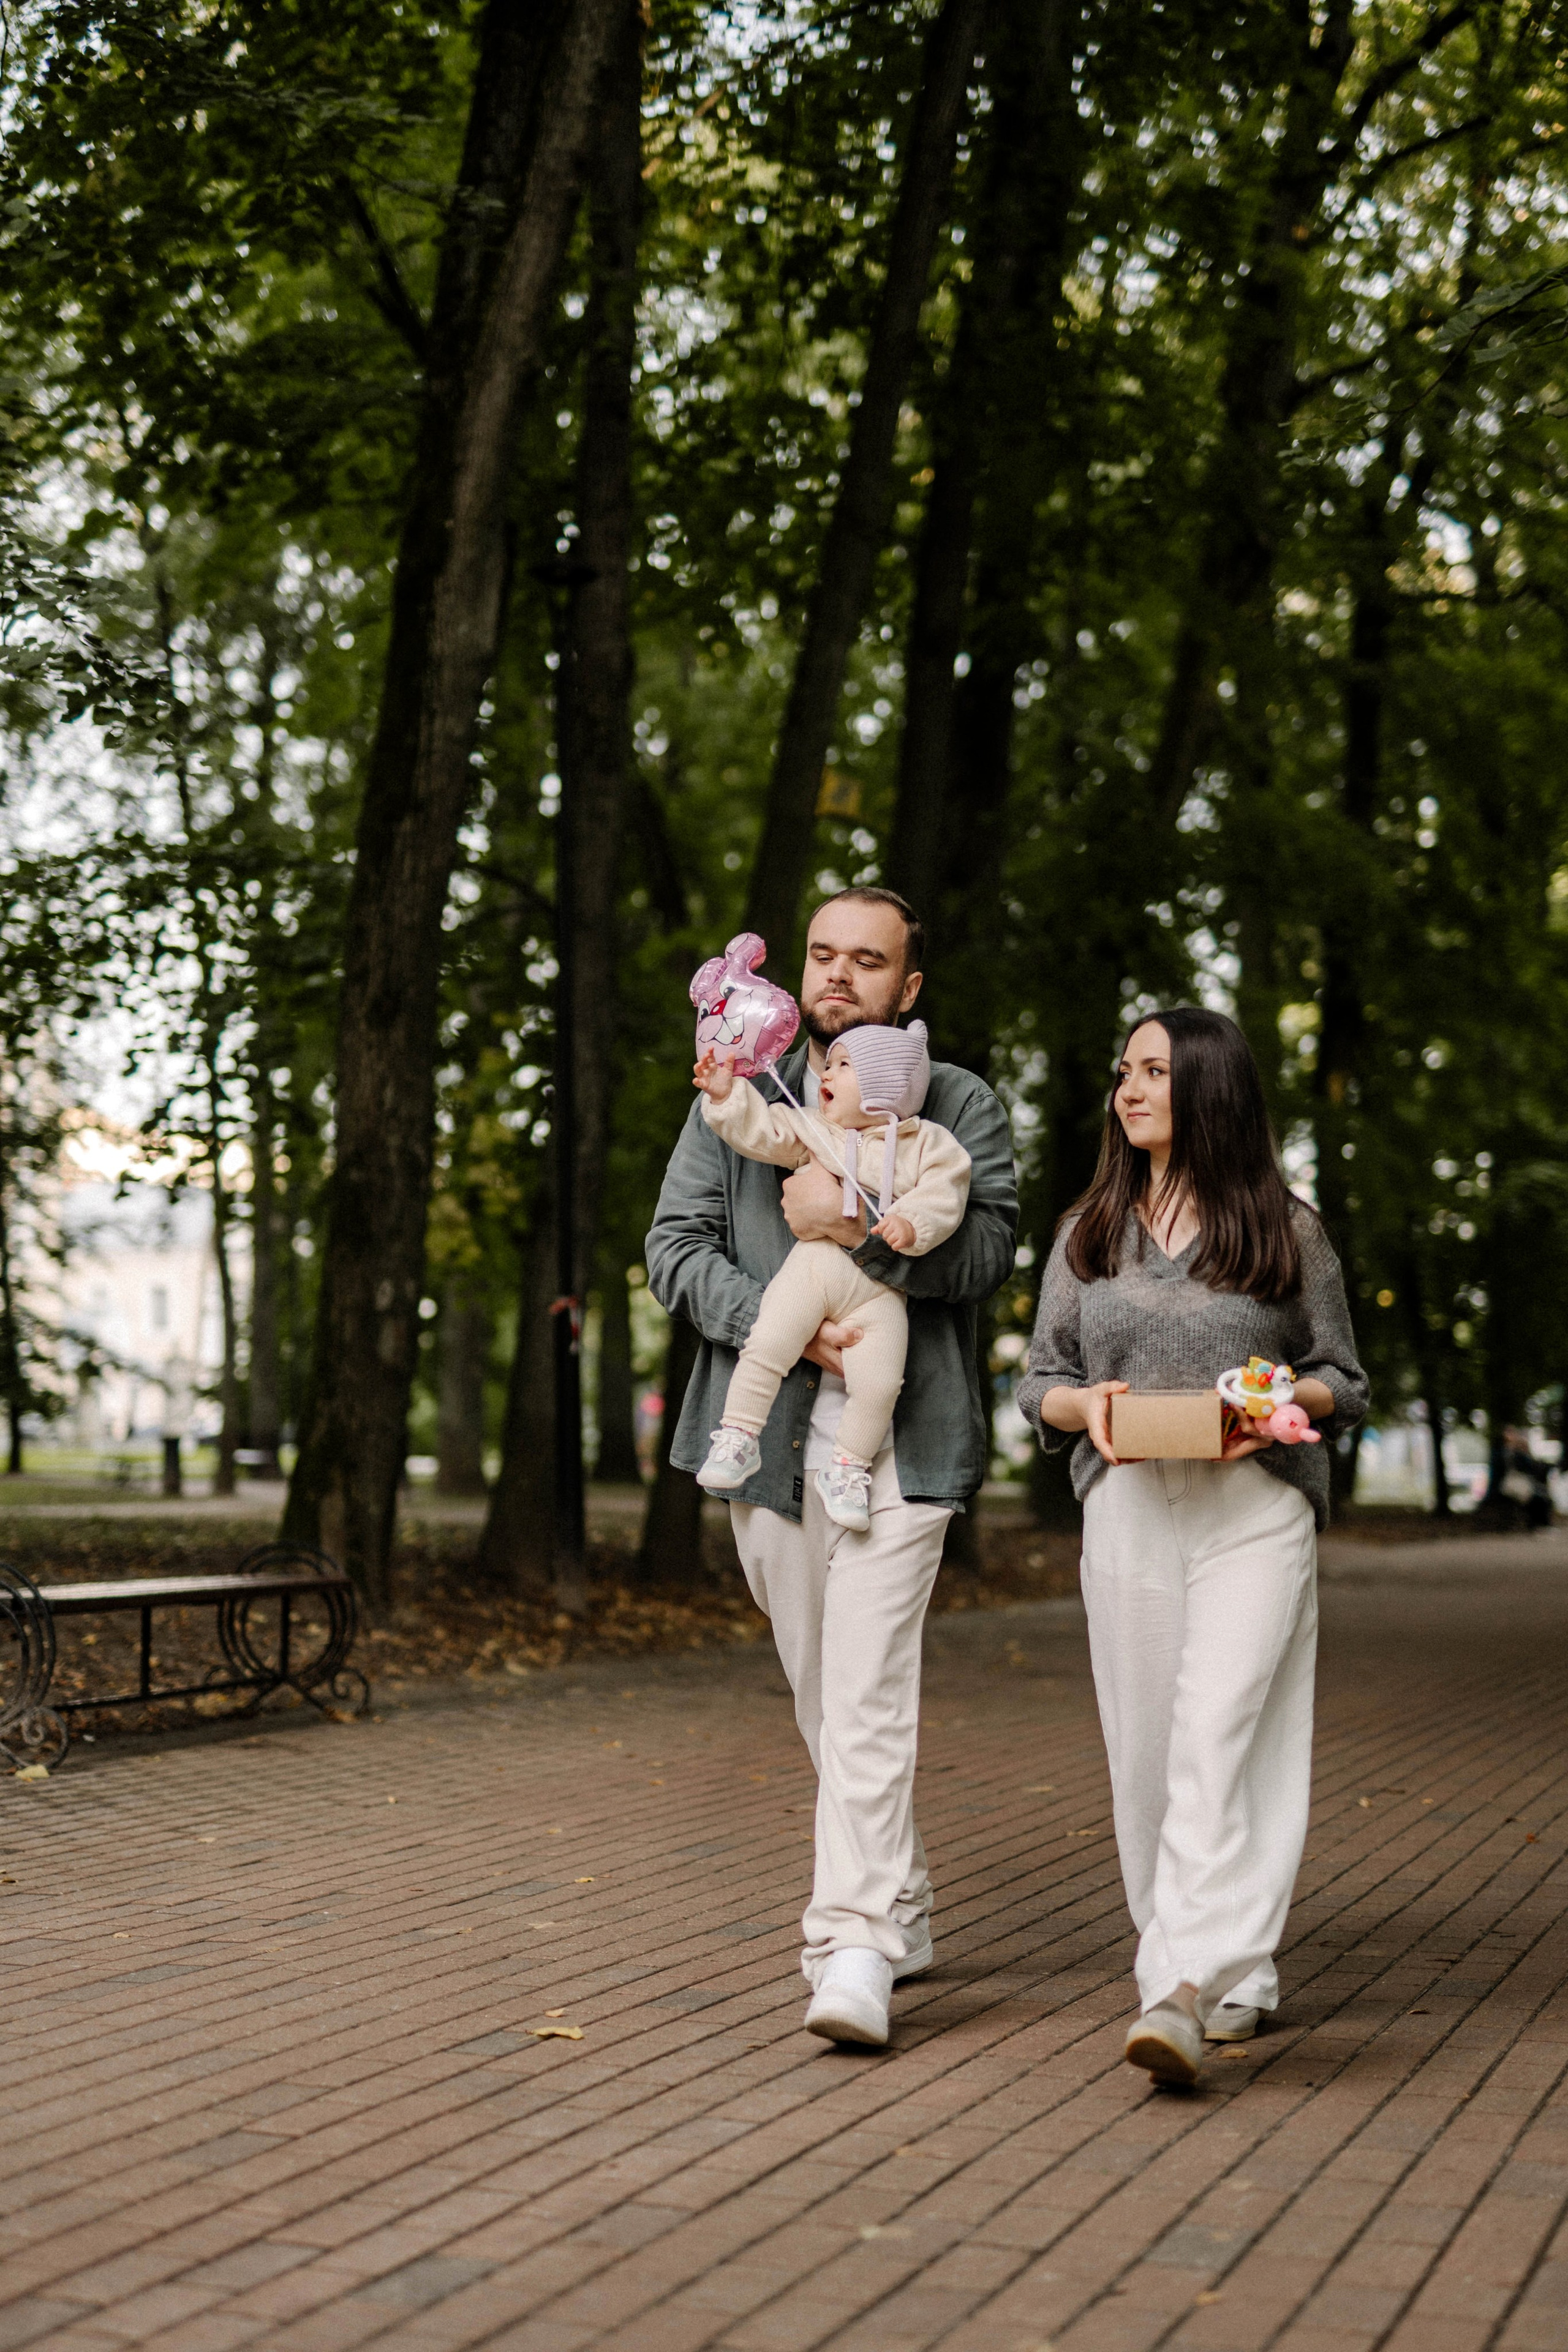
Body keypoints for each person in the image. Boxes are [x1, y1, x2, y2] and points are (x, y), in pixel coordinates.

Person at [646, 888, 1017, 2048]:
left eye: (870, 961)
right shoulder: (739, 1085)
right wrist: (784, 1320)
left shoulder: (955, 1106)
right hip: (761, 1445)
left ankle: (849, 1947)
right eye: (823, 955)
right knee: (822, 1690)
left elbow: (994, 1250)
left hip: (905, 1440)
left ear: (909, 989)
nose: (839, 975)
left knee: (863, 1693)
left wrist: (859, 1235)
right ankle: (899, 1898)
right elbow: (674, 1249)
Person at [1017, 1008, 1367, 2088]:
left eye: (1156, 1070)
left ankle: (1176, 1985)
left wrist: (1272, 1398)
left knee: (1222, 1733)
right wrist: (1089, 1407)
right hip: (1128, 1505)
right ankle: (1235, 1969)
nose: (1129, 1088)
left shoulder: (1283, 1227)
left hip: (1252, 1506)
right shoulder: (1090, 1228)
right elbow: (1041, 1384)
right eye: (1124, 1069)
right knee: (1150, 1753)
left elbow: (1341, 1381)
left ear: (1208, 1087)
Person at [692, 1018, 972, 1531]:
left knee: (882, 1383)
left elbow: (946, 1189)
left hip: (881, 1289)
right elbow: (764, 1131)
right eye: (832, 1062)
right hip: (815, 1266)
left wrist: (914, 1223)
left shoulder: (927, 1142)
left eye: (846, 1066)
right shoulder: (817, 1129)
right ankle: (739, 1434)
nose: (830, 1073)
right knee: (768, 1341)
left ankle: (848, 1467)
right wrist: (726, 1096)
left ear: (886, 1083)